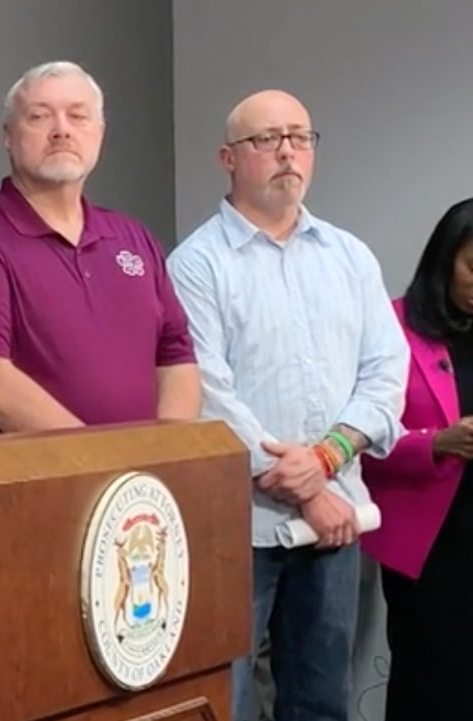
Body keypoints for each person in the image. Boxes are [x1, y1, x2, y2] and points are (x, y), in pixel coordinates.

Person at [165, 90, 409, 721]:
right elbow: (207, 394)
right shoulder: (195, 264)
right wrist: (305, 488)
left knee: (322, 701)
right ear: (228, 158)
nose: (286, 152)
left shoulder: (349, 257)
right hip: (237, 524)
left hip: (336, 526)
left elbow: (387, 372)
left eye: (300, 138)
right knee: (230, 700)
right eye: (265, 139)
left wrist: (327, 459)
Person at [0, 61, 201, 433]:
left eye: (78, 116)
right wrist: (99, 460)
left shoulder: (134, 238)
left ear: (99, 132)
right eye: (39, 117)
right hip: (34, 483)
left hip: (140, 487)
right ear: (8, 135)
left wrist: (164, 456)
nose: (62, 131)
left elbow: (175, 354)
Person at [361, 198, 473, 721]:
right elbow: (364, 434)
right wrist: (436, 443)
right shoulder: (394, 328)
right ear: (444, 259)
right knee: (433, 679)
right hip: (433, 541)